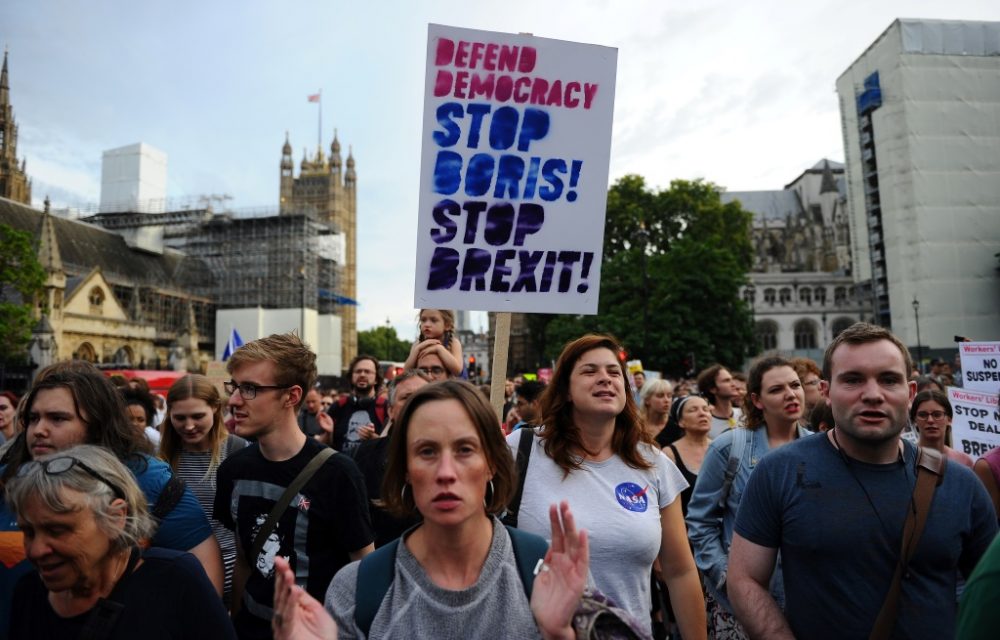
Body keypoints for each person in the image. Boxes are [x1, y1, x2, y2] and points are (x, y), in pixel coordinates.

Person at [727, 323, 998, 639]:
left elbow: (990, 592)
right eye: (853, 380)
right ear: (826, 393)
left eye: (888, 380)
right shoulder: (779, 473)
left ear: (909, 393)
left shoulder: (961, 485)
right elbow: (744, 578)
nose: (872, 394)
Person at [321, 380, 589, 639]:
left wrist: (561, 635)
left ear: (492, 463)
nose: (446, 473)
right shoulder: (356, 591)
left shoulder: (553, 574)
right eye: (427, 452)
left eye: (464, 449)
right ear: (405, 469)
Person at [0, 361, 223, 636]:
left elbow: (202, 589)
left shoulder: (150, 481)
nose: (39, 430)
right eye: (33, 418)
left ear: (98, 421)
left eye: (57, 418)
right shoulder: (9, 483)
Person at [508, 334, 706, 639]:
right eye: (590, 371)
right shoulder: (520, 450)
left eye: (614, 372)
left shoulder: (654, 464)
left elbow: (679, 572)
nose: (605, 379)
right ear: (566, 390)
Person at [215, 333, 374, 640]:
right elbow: (244, 560)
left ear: (291, 396)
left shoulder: (338, 473)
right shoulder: (232, 470)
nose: (234, 400)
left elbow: (364, 571)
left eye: (249, 389)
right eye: (233, 387)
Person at [6, 444, 236, 639]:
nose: (36, 551)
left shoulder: (176, 581)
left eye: (57, 530)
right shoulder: (30, 592)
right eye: (28, 532)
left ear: (116, 518)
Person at [686, 355, 808, 638]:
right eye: (777, 389)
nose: (790, 394)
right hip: (740, 609)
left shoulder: (822, 450)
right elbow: (700, 522)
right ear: (757, 400)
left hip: (807, 605)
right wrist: (726, 577)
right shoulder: (729, 448)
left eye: (795, 385)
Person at [160, 374, 248, 606]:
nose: (189, 426)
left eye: (198, 416)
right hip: (177, 573)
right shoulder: (162, 456)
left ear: (216, 409)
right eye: (180, 417)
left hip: (231, 575)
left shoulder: (239, 451)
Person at [352, 369, 430, 548]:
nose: (414, 402)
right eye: (406, 397)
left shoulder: (453, 458)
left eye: (423, 396)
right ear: (391, 411)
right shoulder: (365, 455)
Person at [661, 394, 712, 516]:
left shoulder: (722, 448)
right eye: (693, 410)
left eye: (706, 409)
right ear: (681, 422)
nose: (702, 413)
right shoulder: (669, 454)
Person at [326, 355, 386, 455]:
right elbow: (326, 444)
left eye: (367, 371)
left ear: (376, 379)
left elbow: (393, 448)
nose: (362, 375)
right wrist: (327, 433)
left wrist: (375, 439)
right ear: (351, 377)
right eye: (358, 371)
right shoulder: (338, 406)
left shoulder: (385, 407)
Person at [911, 388, 974, 468]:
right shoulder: (904, 458)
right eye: (923, 415)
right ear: (914, 421)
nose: (930, 420)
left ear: (949, 419)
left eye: (937, 415)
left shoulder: (964, 461)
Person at [403, 309, 464, 378]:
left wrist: (439, 349)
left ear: (447, 325)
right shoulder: (418, 343)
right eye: (423, 320)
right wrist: (417, 350)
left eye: (433, 320)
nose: (427, 324)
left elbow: (457, 370)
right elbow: (405, 372)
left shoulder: (454, 343)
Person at [696, 365, 742, 437]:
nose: (734, 384)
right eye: (726, 381)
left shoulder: (745, 414)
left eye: (732, 379)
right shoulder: (705, 422)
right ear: (712, 389)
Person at [639, 378, 674, 446]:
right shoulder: (633, 424)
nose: (667, 400)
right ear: (647, 400)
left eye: (669, 396)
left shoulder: (675, 427)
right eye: (660, 396)